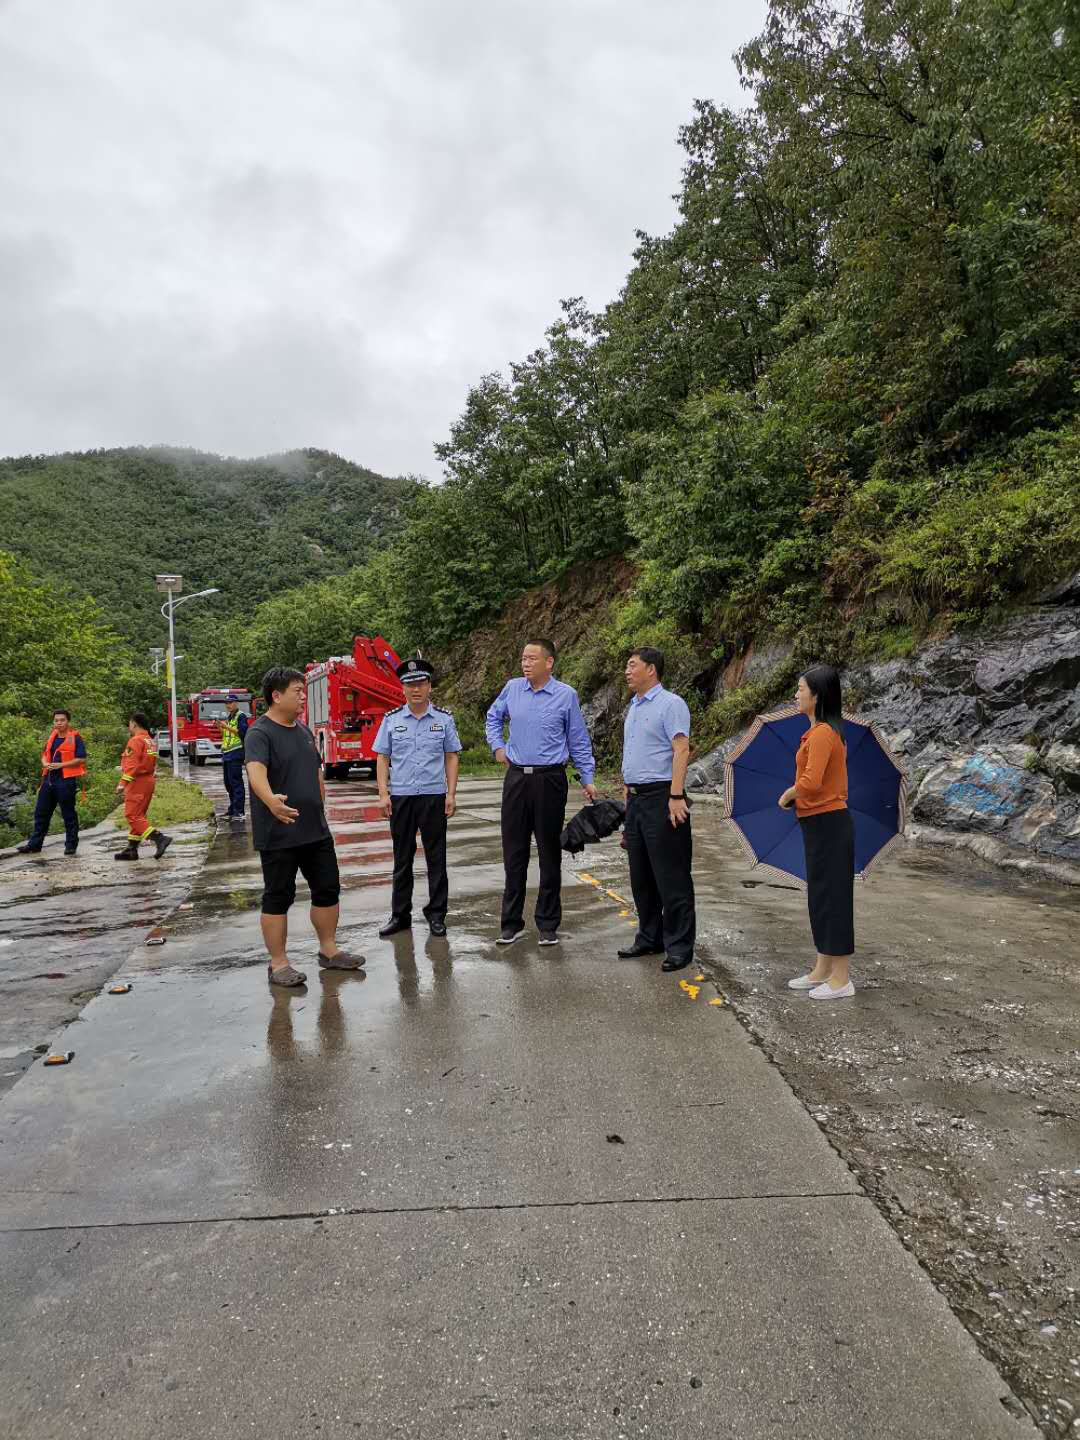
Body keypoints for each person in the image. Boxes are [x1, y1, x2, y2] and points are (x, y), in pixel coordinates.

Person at [244, 666, 364, 987]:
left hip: (315, 830)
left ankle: (329, 950)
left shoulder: (304, 731)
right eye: (297, 690)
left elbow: (316, 773)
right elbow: (255, 773)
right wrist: (271, 801)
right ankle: (279, 963)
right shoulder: (259, 733)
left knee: (327, 888)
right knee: (278, 896)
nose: (302, 696)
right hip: (279, 831)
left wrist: (321, 806)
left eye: (302, 690)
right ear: (276, 695)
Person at [485, 638, 596, 946]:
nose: (526, 663)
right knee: (514, 852)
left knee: (549, 853)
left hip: (550, 780)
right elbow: (493, 718)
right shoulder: (512, 688)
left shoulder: (565, 696)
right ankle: (511, 923)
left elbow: (578, 739)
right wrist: (497, 746)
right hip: (517, 779)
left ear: (549, 662)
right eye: (523, 658)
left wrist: (587, 778)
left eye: (532, 658)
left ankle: (547, 924)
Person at [778, 665, 855, 1000]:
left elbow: (811, 782)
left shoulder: (823, 734)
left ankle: (842, 979)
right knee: (821, 897)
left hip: (829, 824)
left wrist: (788, 794)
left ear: (817, 695)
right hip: (817, 824)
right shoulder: (816, 733)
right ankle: (823, 968)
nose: (796, 694)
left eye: (800, 689)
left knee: (834, 899)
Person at [617, 647, 696, 972]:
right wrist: (626, 808)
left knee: (671, 876)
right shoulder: (633, 707)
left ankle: (679, 946)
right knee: (642, 876)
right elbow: (633, 758)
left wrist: (676, 796)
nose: (627, 671)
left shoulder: (671, 704)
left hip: (664, 796)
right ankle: (650, 936)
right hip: (636, 800)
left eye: (632, 665)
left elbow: (681, 750)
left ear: (651, 669)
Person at [373, 656, 462, 939]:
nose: (415, 689)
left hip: (434, 797)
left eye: (421, 683)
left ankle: (437, 915)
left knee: (437, 859)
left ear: (429, 686)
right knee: (402, 859)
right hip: (402, 799)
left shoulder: (443, 720)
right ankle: (400, 916)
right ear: (402, 688)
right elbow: (382, 757)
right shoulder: (391, 720)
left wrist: (451, 793)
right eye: (409, 684)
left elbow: (451, 757)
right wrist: (383, 793)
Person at [17, 708, 86, 857]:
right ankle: (34, 845)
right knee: (41, 813)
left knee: (68, 814)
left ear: (68, 721)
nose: (59, 723)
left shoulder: (75, 738)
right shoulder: (52, 736)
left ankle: (71, 845)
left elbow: (81, 758)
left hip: (66, 781)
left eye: (62, 720)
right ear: (53, 722)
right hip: (49, 780)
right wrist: (44, 763)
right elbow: (44, 754)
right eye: (56, 720)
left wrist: (61, 765)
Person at [114, 712, 173, 861]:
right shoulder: (149, 740)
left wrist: (122, 783)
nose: (129, 726)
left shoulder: (135, 741)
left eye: (129, 723)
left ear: (134, 724)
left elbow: (132, 766)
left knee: (132, 814)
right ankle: (131, 849)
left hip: (137, 781)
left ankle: (159, 839)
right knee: (139, 815)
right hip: (148, 780)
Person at [220, 692, 250, 819]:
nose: (228, 705)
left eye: (230, 703)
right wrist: (220, 728)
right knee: (228, 783)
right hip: (227, 753)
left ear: (236, 703)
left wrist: (226, 727)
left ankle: (239, 811)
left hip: (236, 753)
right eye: (226, 703)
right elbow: (227, 734)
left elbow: (243, 733)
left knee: (236, 783)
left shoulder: (241, 716)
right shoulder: (229, 717)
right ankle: (232, 809)